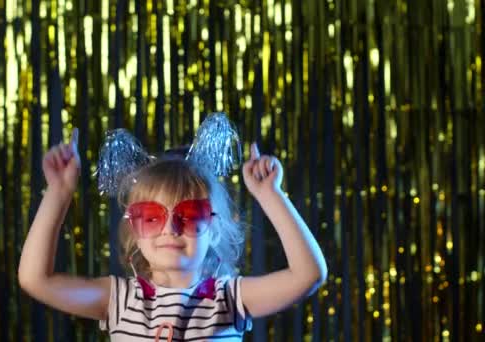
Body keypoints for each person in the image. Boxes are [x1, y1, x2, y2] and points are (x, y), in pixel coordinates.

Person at [18, 114, 327, 341]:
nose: (170, 227)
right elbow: (36, 280)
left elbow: (308, 275)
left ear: (215, 228)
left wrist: (270, 195)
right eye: (151, 216)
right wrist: (58, 192)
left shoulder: (229, 298)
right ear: (135, 230)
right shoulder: (119, 299)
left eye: (190, 214)